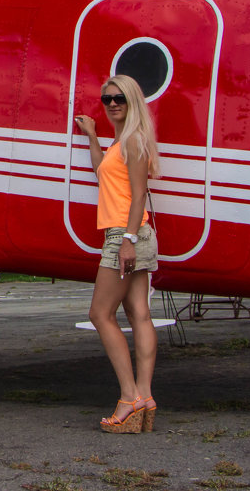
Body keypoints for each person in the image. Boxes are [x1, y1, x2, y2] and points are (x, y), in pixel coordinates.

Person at [74, 75, 161, 434]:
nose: (112, 104)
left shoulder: (135, 142)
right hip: (134, 234)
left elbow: (139, 194)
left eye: (119, 98)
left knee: (100, 313)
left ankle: (128, 398)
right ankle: (145, 397)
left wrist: (126, 240)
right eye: (107, 98)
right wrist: (93, 137)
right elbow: (101, 172)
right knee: (139, 313)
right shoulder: (119, 143)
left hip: (126, 234)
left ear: (132, 100)